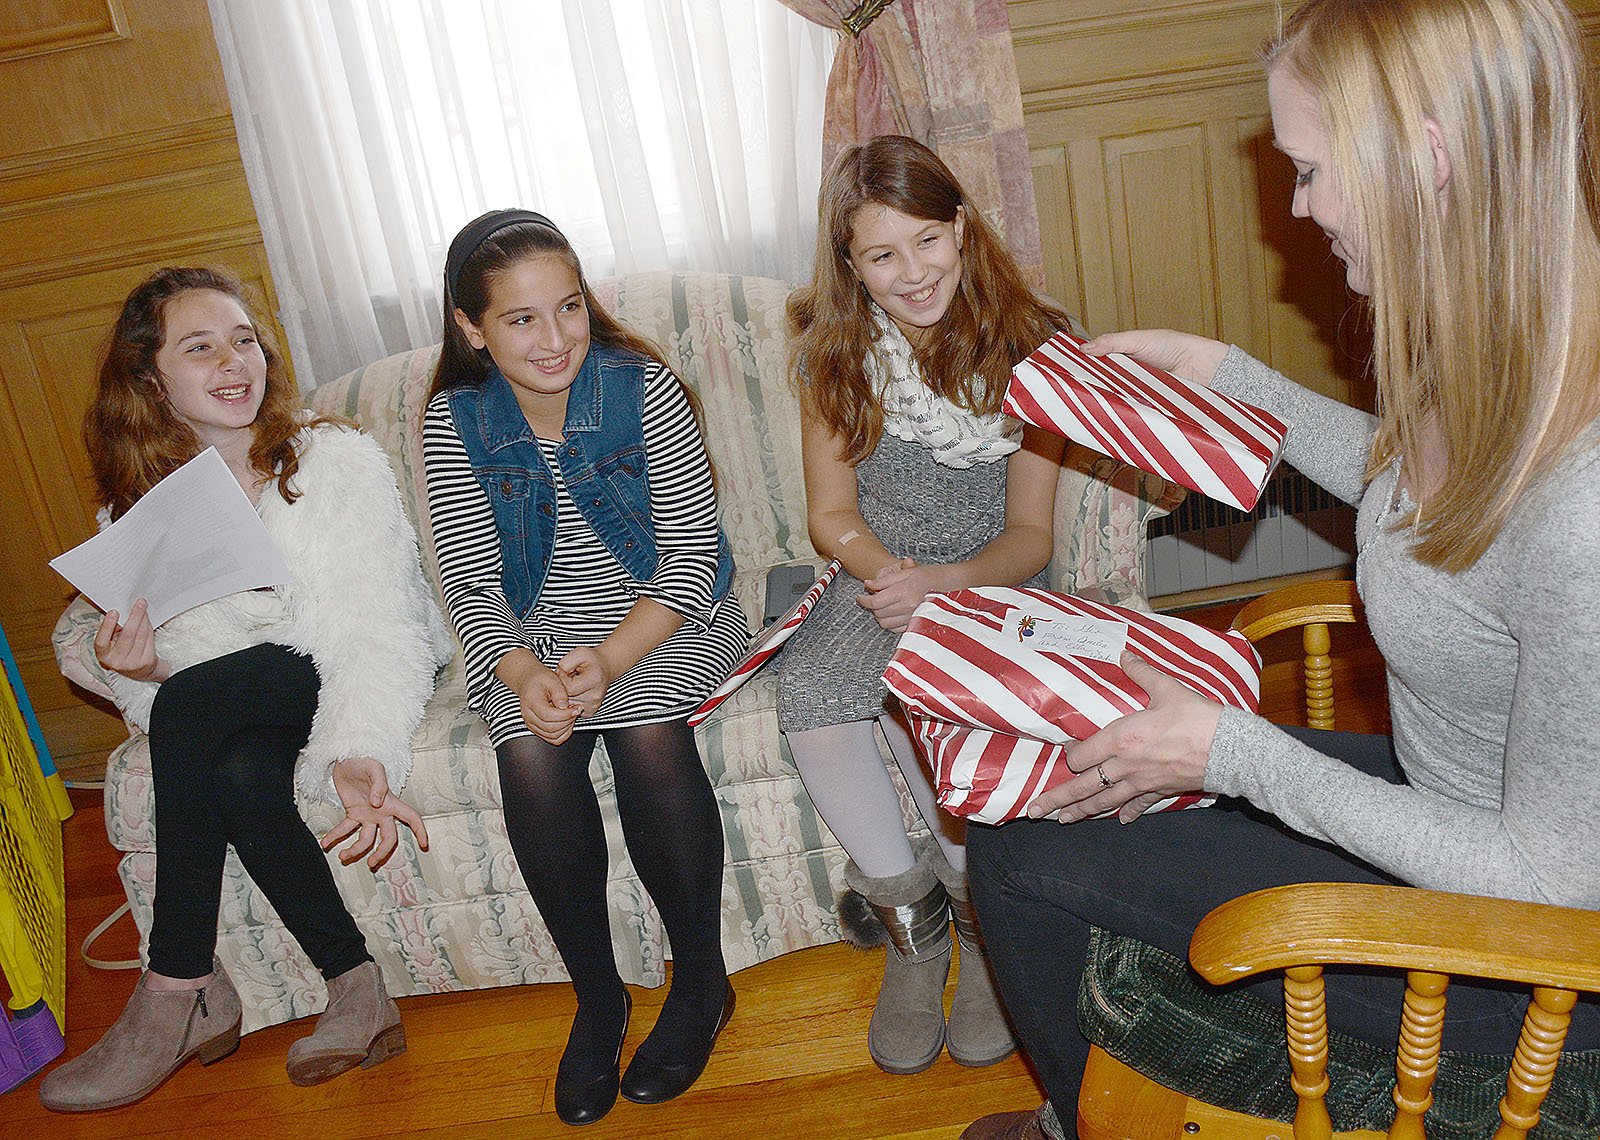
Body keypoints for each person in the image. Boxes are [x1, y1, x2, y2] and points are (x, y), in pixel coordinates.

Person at [959, 1, 1600, 1137]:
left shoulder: (1587, 506)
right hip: (1442, 801)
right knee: (1060, 785)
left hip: (1519, 953)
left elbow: (1553, 887)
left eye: (1309, 170)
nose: (1297, 208)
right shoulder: (1513, 329)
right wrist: (1228, 374)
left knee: (1017, 850)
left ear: (1428, 162)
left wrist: (1233, 753)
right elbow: (1431, 502)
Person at [39, 267, 453, 1113]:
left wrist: (359, 747)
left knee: (203, 704)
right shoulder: (139, 511)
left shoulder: (329, 459)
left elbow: (375, 627)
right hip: (235, 692)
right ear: (153, 380)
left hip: (336, 660)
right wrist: (145, 667)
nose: (235, 363)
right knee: (235, 774)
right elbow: (190, 665)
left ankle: (180, 981)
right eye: (200, 348)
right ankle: (358, 990)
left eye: (243, 340)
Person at [421, 209, 747, 1126]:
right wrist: (525, 676)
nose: (555, 337)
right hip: (535, 636)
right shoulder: (455, 421)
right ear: (471, 328)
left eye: (568, 307)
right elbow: (473, 586)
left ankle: (700, 984)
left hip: (658, 617)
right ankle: (600, 1000)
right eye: (521, 319)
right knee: (527, 747)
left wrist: (605, 661)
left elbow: (689, 561)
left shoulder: (644, 391)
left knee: (647, 734)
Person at [775, 135, 1072, 1076]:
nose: (913, 273)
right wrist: (886, 573)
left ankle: (987, 932)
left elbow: (1032, 538)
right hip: (880, 573)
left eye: (926, 241)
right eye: (881, 255)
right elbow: (831, 515)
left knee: (937, 703)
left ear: (961, 229)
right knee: (814, 704)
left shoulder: (1037, 349)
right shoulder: (836, 356)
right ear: (851, 268)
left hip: (991, 575)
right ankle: (917, 928)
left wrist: (941, 588)